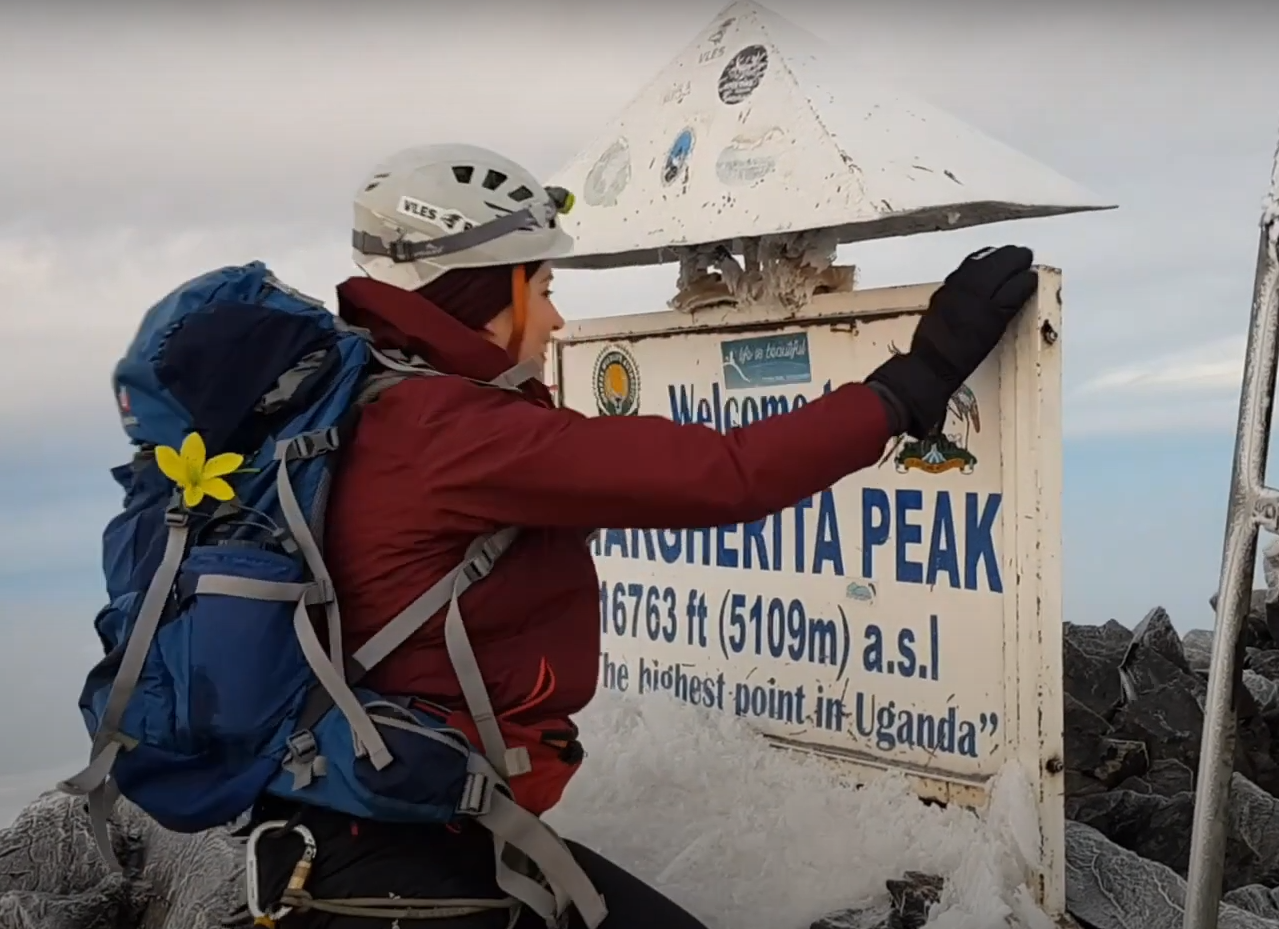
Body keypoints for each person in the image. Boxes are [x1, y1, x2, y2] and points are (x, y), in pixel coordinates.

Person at [247, 143, 1039, 929]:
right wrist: (914, 382)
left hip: (368, 805)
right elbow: (724, 472)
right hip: (398, 848)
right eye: (544, 289)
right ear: (489, 293)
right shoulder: (450, 432)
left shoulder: (373, 395)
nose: (555, 319)